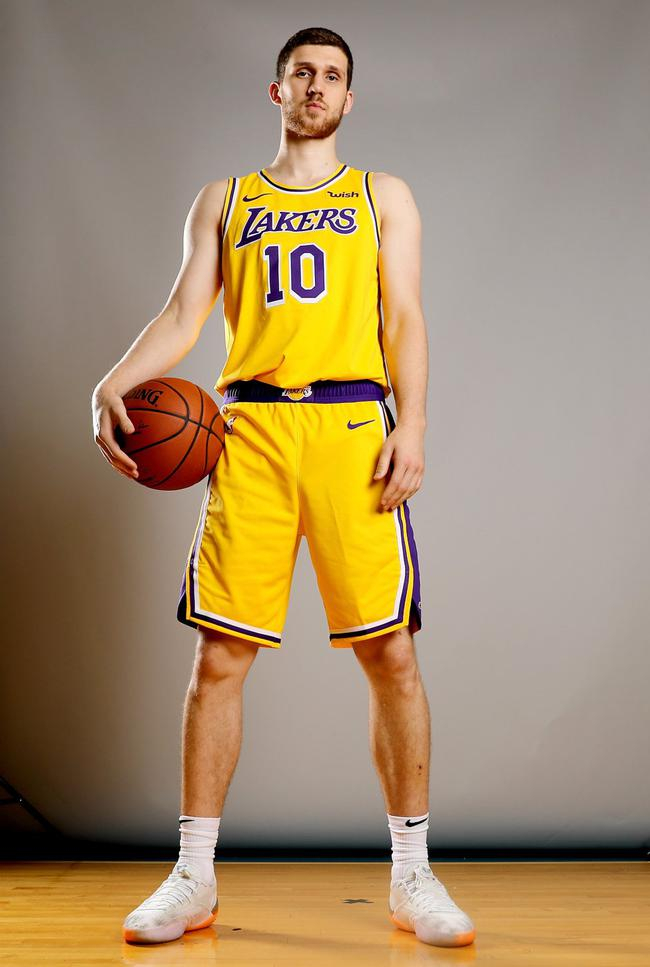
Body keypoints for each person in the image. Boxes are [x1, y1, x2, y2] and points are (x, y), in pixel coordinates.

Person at [91, 25, 475, 950]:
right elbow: (185, 312)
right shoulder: (226, 198)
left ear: (350, 98)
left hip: (352, 427)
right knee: (219, 656)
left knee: (390, 652)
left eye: (332, 76)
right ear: (277, 90)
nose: (316, 86)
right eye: (302, 72)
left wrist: (415, 424)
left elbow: (404, 314)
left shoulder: (382, 194)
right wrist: (110, 381)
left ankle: (413, 874)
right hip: (251, 431)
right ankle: (192, 875)